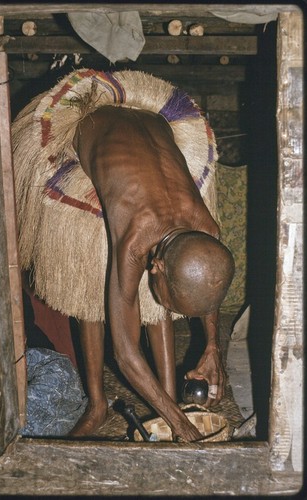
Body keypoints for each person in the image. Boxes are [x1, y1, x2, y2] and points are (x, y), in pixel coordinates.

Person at [69, 105, 235, 442]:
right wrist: (179, 423)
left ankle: (169, 393)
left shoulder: (208, 232)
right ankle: (97, 404)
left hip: (150, 127)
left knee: (169, 291)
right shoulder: (134, 241)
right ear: (154, 264)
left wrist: (212, 347)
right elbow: (125, 352)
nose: (172, 313)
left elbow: (210, 284)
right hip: (92, 123)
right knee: (89, 282)